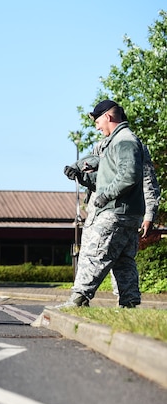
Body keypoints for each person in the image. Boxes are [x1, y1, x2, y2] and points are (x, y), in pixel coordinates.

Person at [59, 100, 145, 308]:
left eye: (97, 121)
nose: (97, 127)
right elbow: (107, 179)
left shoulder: (124, 141)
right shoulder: (116, 142)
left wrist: (105, 197)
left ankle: (78, 300)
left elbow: (128, 176)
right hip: (127, 212)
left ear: (108, 117)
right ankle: (129, 305)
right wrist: (81, 177)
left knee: (94, 254)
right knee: (123, 260)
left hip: (114, 211)